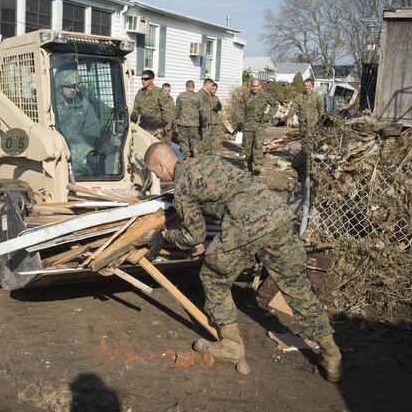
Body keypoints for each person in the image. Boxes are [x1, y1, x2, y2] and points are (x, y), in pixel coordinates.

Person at [144, 142, 343, 382]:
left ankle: (230, 346)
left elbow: (193, 236)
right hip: (277, 216)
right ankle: (332, 354)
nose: (158, 176)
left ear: (162, 164)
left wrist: (165, 236)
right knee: (296, 286)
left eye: (156, 172)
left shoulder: (184, 185)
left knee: (213, 278)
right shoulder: (208, 159)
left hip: (246, 224)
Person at [53, 69, 102, 177]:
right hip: (55, 147)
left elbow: (90, 125)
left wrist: (102, 132)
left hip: (77, 146)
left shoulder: (83, 103)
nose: (72, 89)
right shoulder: (50, 102)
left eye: (75, 86)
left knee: (92, 157)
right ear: (60, 87)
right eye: (69, 86)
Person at [235, 78, 279, 174]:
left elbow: (275, 105)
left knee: (258, 144)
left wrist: (268, 116)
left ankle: (258, 164)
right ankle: (248, 163)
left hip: (259, 124)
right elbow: (240, 109)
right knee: (247, 146)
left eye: (256, 86)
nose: (254, 88)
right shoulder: (246, 96)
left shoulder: (265, 96)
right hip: (248, 124)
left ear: (260, 86)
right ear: (251, 86)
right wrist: (239, 121)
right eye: (253, 86)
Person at [291, 78, 325, 182]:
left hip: (313, 124)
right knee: (304, 142)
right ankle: (306, 160)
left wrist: (321, 123)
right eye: (305, 86)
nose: (307, 87)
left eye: (308, 86)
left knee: (311, 142)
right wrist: (289, 117)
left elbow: (321, 110)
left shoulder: (317, 96)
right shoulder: (300, 96)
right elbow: (293, 106)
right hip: (303, 124)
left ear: (312, 86)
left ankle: (310, 161)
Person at [130, 70, 173, 143]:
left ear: (152, 79)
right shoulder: (140, 92)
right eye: (142, 79)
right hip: (143, 129)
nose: (143, 81)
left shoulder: (159, 92)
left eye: (146, 79)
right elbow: (135, 111)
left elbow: (167, 112)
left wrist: (162, 128)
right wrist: (131, 124)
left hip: (156, 130)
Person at [174, 80, 200, 158]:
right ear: (194, 87)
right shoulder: (198, 96)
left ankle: (186, 155)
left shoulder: (181, 96)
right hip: (194, 123)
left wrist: (176, 119)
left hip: (183, 122)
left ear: (186, 86)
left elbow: (177, 109)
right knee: (194, 139)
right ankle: (194, 150)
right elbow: (201, 110)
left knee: (183, 140)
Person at [196, 78, 216, 153]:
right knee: (201, 140)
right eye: (211, 85)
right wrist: (203, 120)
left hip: (207, 121)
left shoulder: (207, 94)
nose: (211, 87)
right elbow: (199, 108)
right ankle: (199, 153)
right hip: (202, 122)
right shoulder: (200, 94)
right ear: (207, 84)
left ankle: (204, 153)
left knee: (206, 139)